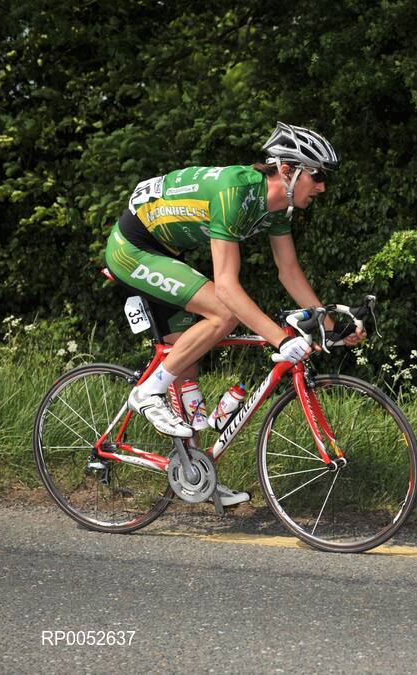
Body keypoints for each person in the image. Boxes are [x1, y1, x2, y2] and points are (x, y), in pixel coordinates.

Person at [104, 122, 363, 506]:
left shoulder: (277, 209)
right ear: (289, 171)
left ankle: (193, 477)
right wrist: (280, 339)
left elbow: (289, 273)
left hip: (166, 252)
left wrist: (328, 328)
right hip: (134, 248)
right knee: (223, 313)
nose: (323, 186)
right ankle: (146, 392)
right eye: (318, 175)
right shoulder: (236, 191)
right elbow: (226, 286)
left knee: (185, 364)